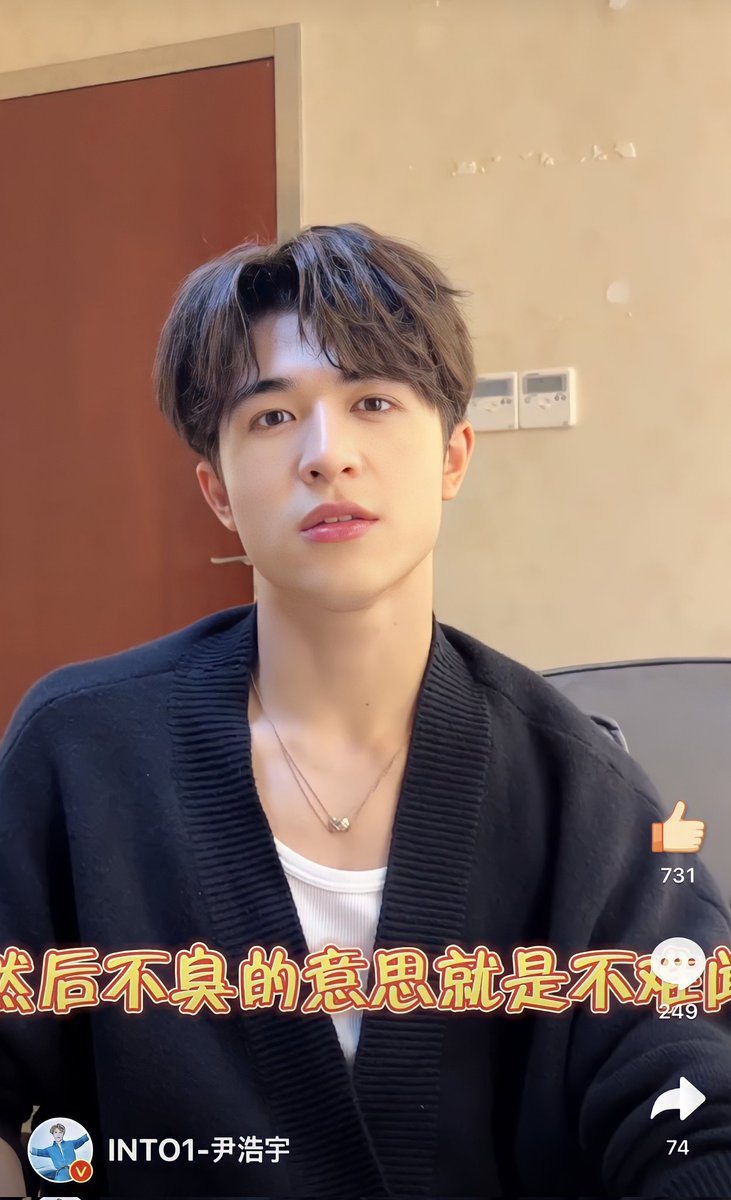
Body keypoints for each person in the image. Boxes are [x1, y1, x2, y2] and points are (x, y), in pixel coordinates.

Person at [0, 222, 730, 1198]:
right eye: (271, 416)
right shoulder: (78, 752)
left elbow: (687, 1099)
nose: (325, 454)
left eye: (372, 402)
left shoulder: (578, 792)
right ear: (217, 492)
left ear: (453, 457)